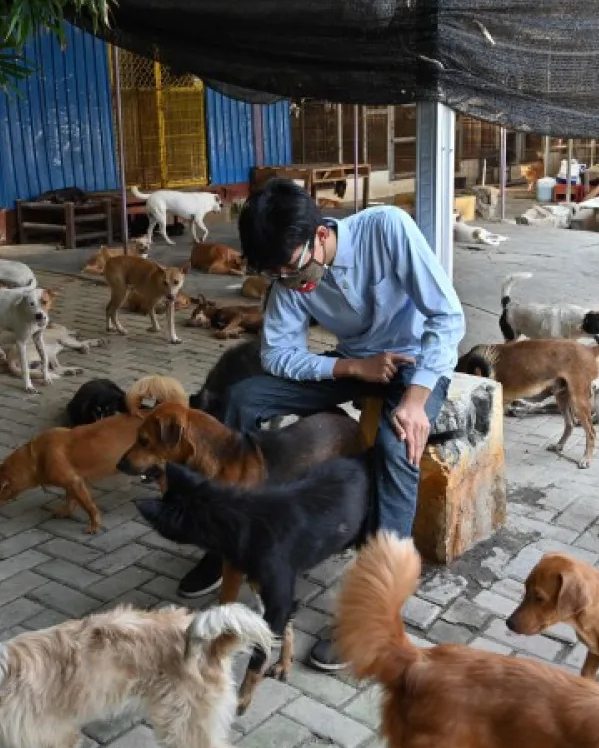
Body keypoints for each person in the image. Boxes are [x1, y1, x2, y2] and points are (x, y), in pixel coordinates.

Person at [175, 177, 465, 671]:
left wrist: (415, 401)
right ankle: (225, 535)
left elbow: (447, 316)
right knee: (242, 397)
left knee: (398, 446)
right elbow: (278, 353)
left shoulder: (386, 230)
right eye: (278, 276)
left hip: (414, 365)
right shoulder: (288, 274)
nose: (291, 284)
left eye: (292, 269)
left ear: (320, 236)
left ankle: (374, 612)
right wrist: (350, 368)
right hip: (354, 364)